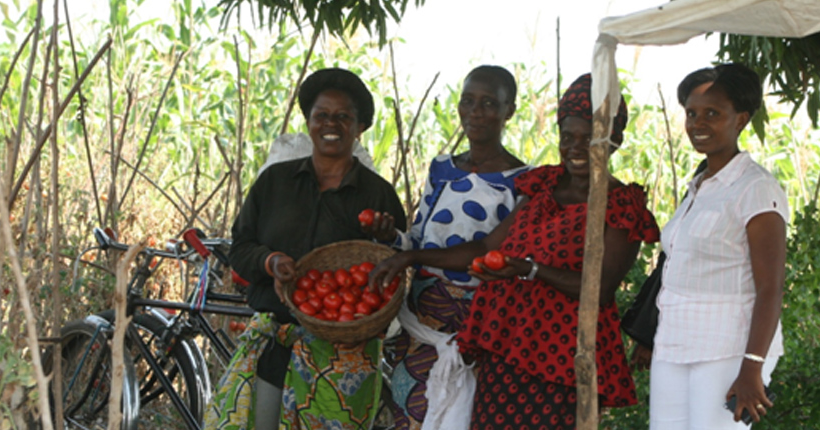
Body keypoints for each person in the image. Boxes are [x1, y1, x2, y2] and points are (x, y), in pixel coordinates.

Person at [372, 73, 660, 429]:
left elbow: (598, 289)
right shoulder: (544, 186)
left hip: (564, 358)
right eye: (567, 137)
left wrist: (528, 269)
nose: (575, 148)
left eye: (590, 139)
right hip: (507, 343)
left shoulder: (620, 206)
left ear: (614, 139)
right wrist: (411, 257)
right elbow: (486, 247)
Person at [221, 67, 408, 430]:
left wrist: (388, 239)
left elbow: (397, 265)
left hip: (345, 357)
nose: (331, 124)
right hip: (275, 341)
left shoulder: (378, 193)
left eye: (343, 117)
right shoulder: (274, 183)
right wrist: (270, 261)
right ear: (308, 121)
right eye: (321, 115)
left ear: (360, 127)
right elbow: (241, 246)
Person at [372, 65, 530, 430]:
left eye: (489, 103)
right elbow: (418, 238)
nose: (476, 112)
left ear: (510, 111)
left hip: (479, 327)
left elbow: (485, 251)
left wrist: (409, 255)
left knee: (467, 416)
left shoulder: (524, 182)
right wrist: (390, 238)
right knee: (409, 414)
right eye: (468, 101)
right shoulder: (442, 168)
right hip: (422, 323)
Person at [649, 63, 787, 429]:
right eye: (691, 113)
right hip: (674, 344)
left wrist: (752, 367)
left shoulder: (755, 187)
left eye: (713, 113)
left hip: (727, 348)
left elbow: (771, 287)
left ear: (740, 120)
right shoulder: (700, 186)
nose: (698, 123)